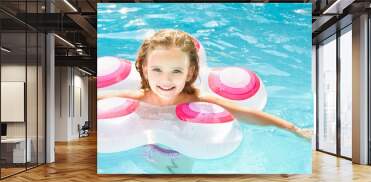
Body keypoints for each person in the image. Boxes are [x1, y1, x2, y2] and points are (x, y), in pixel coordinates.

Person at [98, 29, 312, 140]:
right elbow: (101, 98)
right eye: (157, 70)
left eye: (176, 71)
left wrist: (292, 128)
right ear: (145, 70)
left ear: (190, 72)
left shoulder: (198, 98)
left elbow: (246, 113)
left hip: (189, 146)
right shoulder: (139, 97)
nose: (166, 80)